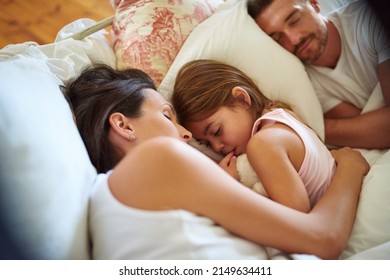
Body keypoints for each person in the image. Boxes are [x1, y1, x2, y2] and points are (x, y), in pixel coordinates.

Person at [63, 64, 369, 260]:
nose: (187, 136)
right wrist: (351, 166)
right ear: (124, 125)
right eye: (167, 116)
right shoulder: (157, 158)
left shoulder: (111, 196)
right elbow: (324, 239)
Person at [173, 59, 337, 212]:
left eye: (217, 131)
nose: (217, 147)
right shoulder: (281, 114)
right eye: (206, 144)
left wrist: (230, 187)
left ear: (242, 100)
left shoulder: (263, 144)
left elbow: (297, 219)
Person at [247, 0, 390, 149]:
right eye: (278, 38)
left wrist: (311, 127)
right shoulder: (303, 84)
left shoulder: (369, 20)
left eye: (295, 21)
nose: (294, 39)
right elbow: (371, 132)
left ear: (314, 4)